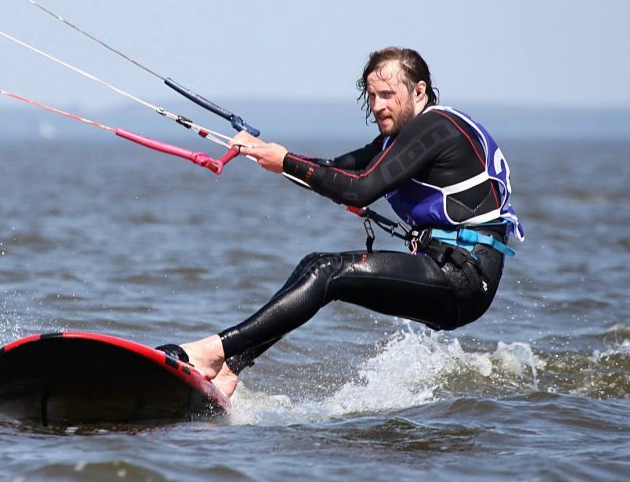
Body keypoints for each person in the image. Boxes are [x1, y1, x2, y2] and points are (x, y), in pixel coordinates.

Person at [158, 47, 523, 397]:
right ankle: (230, 370)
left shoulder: (435, 128)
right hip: (444, 267)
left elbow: (361, 189)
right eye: (371, 96)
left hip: (464, 276)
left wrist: (284, 161)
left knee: (327, 271)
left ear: (419, 90)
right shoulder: (400, 137)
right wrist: (265, 152)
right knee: (313, 265)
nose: (377, 106)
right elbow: (338, 169)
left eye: (387, 94)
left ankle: (213, 351)